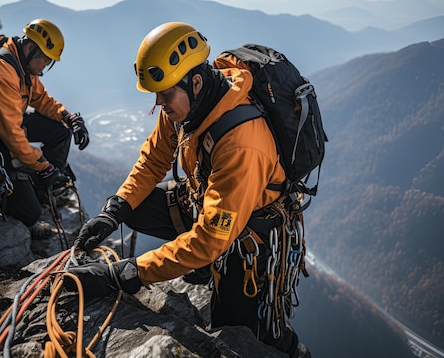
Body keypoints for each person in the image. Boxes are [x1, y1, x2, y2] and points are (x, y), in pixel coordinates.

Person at [68, 22, 303, 357]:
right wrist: (115, 209)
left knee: (235, 328)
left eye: (164, 94)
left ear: (195, 81)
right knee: (137, 207)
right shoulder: (187, 105)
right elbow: (153, 161)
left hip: (249, 235)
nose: (159, 103)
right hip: (207, 203)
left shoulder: (242, 143)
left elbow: (210, 239)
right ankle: (203, 266)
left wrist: (124, 274)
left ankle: (290, 348)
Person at [0, 18, 90, 237]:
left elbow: (41, 99)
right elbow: (12, 136)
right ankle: (7, 187)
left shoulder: (22, 65)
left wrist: (68, 117)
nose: (45, 68)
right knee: (29, 214)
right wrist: (44, 167)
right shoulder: (2, 73)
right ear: (31, 49)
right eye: (46, 60)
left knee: (60, 130)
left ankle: (42, 189)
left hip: (7, 126)